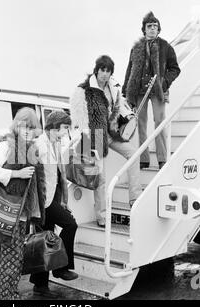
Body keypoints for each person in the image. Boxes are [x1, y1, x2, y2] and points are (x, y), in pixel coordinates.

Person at [70, 55, 142, 227]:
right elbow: (79, 119)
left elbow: (118, 107)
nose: (104, 73)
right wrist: (90, 144)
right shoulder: (83, 90)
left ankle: (135, 198)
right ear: (97, 69)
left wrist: (127, 116)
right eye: (102, 69)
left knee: (133, 154)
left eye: (108, 70)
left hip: (110, 133)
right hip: (94, 136)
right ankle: (102, 216)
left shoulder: (113, 88)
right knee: (101, 177)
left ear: (111, 73)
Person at [0, 107, 46, 300]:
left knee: (17, 257)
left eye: (31, 127)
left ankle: (12, 295)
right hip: (9, 212)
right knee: (11, 258)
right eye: (23, 126)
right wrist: (15, 174)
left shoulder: (30, 149)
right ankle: (7, 298)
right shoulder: (6, 146)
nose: (27, 131)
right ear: (16, 126)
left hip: (22, 213)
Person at [122, 11, 181, 170]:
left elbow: (175, 69)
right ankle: (144, 159)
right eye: (150, 26)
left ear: (158, 29)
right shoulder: (136, 48)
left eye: (155, 26)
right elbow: (130, 70)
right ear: (144, 29)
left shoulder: (166, 47)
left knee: (159, 122)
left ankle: (162, 158)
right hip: (139, 90)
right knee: (140, 124)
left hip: (158, 90)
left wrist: (164, 82)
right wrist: (125, 90)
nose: (153, 29)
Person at [29, 110, 78, 298]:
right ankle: (61, 268)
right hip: (43, 202)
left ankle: (40, 285)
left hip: (52, 199)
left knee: (45, 241)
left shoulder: (55, 144)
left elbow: (58, 176)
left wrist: (62, 201)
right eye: (64, 128)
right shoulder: (39, 145)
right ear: (54, 126)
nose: (65, 132)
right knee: (69, 225)